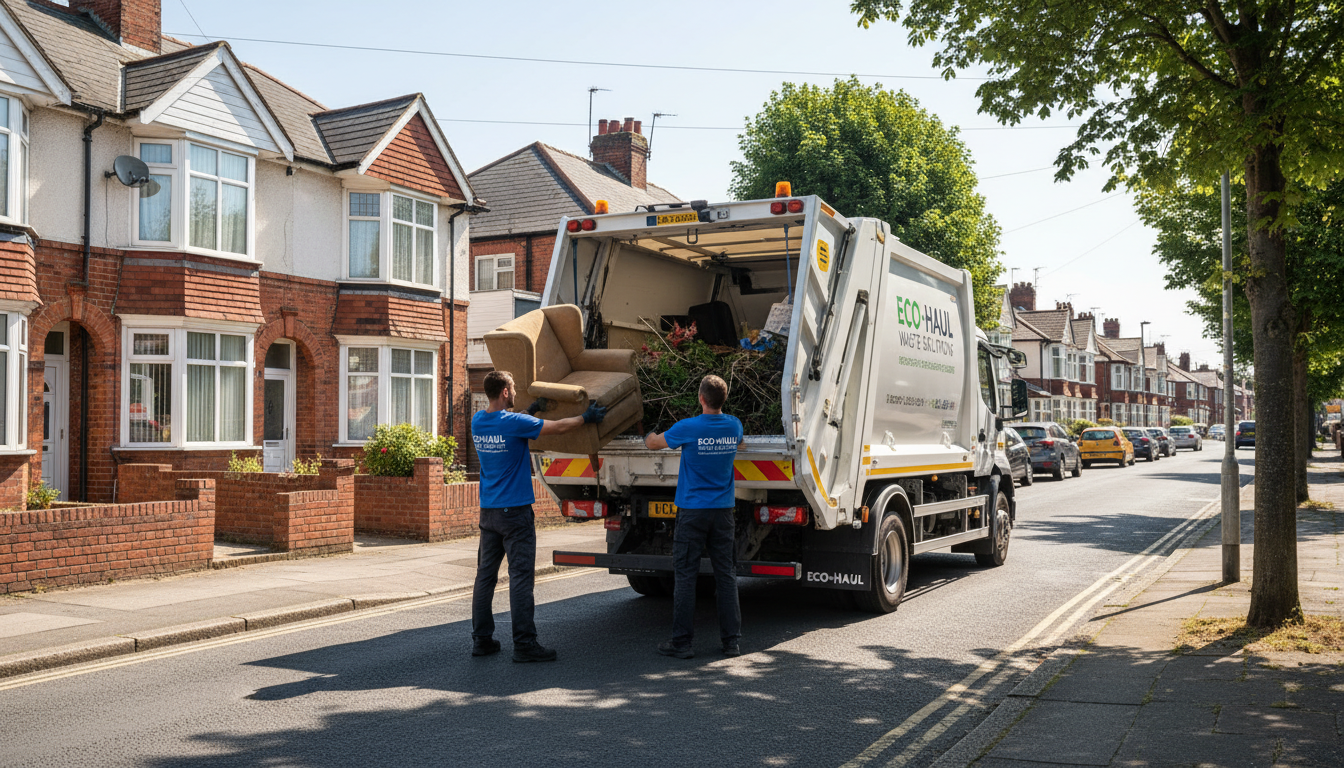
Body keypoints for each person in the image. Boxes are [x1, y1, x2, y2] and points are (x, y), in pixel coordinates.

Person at [470, 370, 606, 663]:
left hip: (488, 512)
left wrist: (531, 410)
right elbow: (558, 427)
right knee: (520, 577)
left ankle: (482, 640)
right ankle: (524, 644)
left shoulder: (478, 421)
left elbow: (511, 424)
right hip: (515, 513)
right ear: (505, 392)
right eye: (513, 388)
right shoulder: (514, 424)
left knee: (485, 577)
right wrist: (586, 418)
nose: (515, 392)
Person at [644, 374, 744, 659]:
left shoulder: (688, 427)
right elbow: (739, 442)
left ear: (701, 398)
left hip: (692, 512)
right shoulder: (734, 425)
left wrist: (647, 434)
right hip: (723, 513)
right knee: (726, 576)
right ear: (724, 399)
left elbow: (654, 444)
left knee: (686, 576)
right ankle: (731, 642)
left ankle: (682, 643)